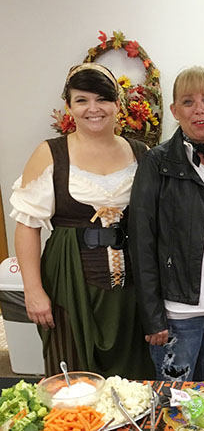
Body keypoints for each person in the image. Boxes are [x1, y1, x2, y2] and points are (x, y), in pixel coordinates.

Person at [10, 63, 155, 378]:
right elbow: (27, 227)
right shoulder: (50, 153)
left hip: (130, 289)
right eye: (82, 100)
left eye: (102, 99)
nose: (93, 109)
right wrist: (33, 291)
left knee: (133, 377)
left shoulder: (140, 152)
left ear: (118, 103)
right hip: (68, 281)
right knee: (74, 378)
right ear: (69, 106)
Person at [128, 66, 204, 381]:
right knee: (178, 404)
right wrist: (153, 317)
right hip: (177, 313)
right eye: (188, 101)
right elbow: (141, 242)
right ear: (174, 110)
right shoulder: (155, 164)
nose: (199, 109)